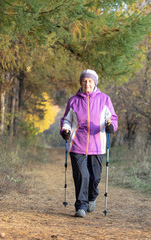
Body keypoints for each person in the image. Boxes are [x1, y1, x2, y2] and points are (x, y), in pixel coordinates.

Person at [60, 69, 118, 218]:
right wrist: (65, 130)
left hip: (97, 145)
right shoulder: (73, 100)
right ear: (80, 82)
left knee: (95, 178)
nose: (87, 83)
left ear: (95, 83)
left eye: (90, 81)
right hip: (77, 144)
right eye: (84, 81)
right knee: (81, 175)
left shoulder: (104, 99)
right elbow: (66, 119)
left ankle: (92, 197)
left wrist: (111, 126)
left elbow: (112, 118)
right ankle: (81, 206)